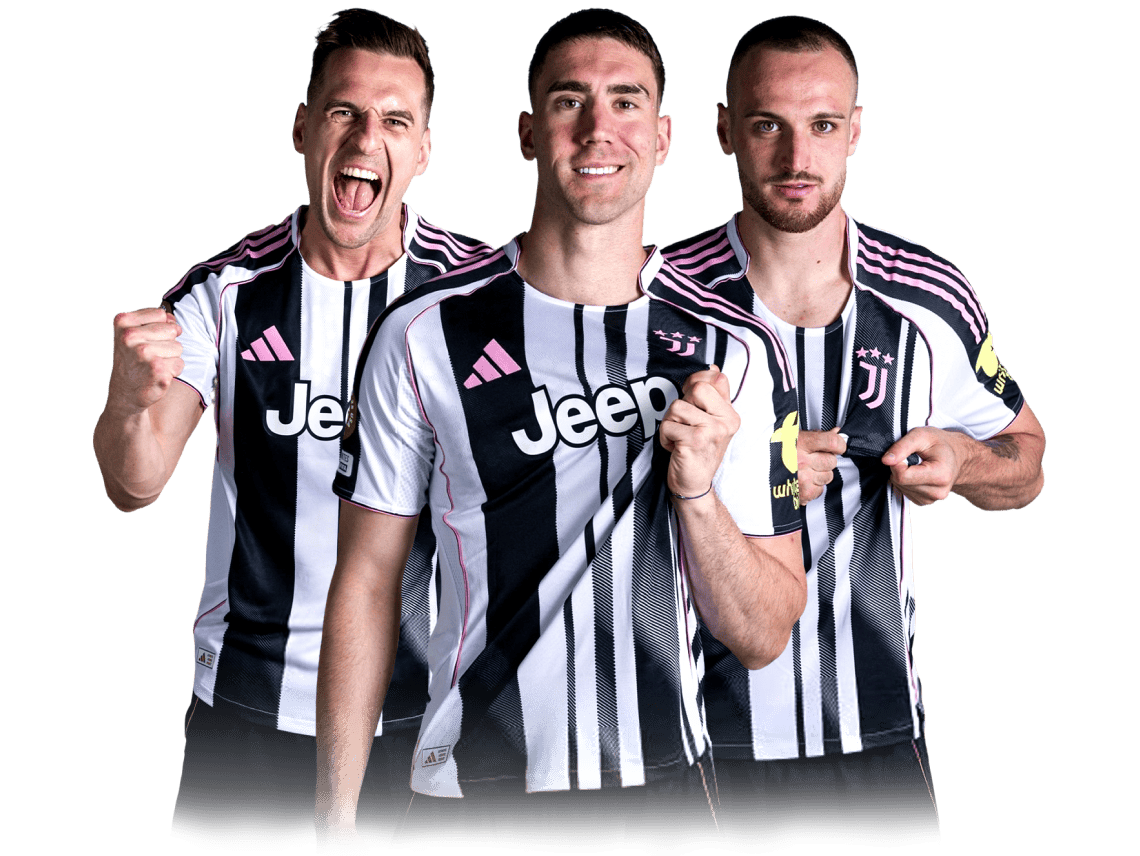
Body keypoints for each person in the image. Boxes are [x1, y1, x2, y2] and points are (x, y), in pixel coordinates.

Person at [318, 8, 805, 850]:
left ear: (663, 138)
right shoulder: (422, 334)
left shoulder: (740, 348)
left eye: (626, 103)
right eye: (568, 100)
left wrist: (696, 497)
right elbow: (365, 582)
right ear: (527, 134)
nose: (596, 127)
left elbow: (762, 636)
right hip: (467, 794)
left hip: (665, 795)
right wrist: (336, 823)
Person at [92, 9, 493, 847]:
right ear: (304, 130)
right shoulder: (226, 294)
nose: (365, 137)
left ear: (424, 149)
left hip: (430, 723)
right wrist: (128, 399)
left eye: (395, 120)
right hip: (248, 716)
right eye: (345, 111)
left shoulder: (481, 298)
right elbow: (135, 485)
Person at [664, 15, 1047, 846]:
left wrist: (964, 459)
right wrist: (751, 478)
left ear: (857, 132)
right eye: (767, 125)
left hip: (878, 742)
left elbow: (1028, 460)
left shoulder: (928, 296)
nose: (796, 157)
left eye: (823, 125)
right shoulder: (659, 299)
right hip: (691, 741)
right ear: (724, 130)